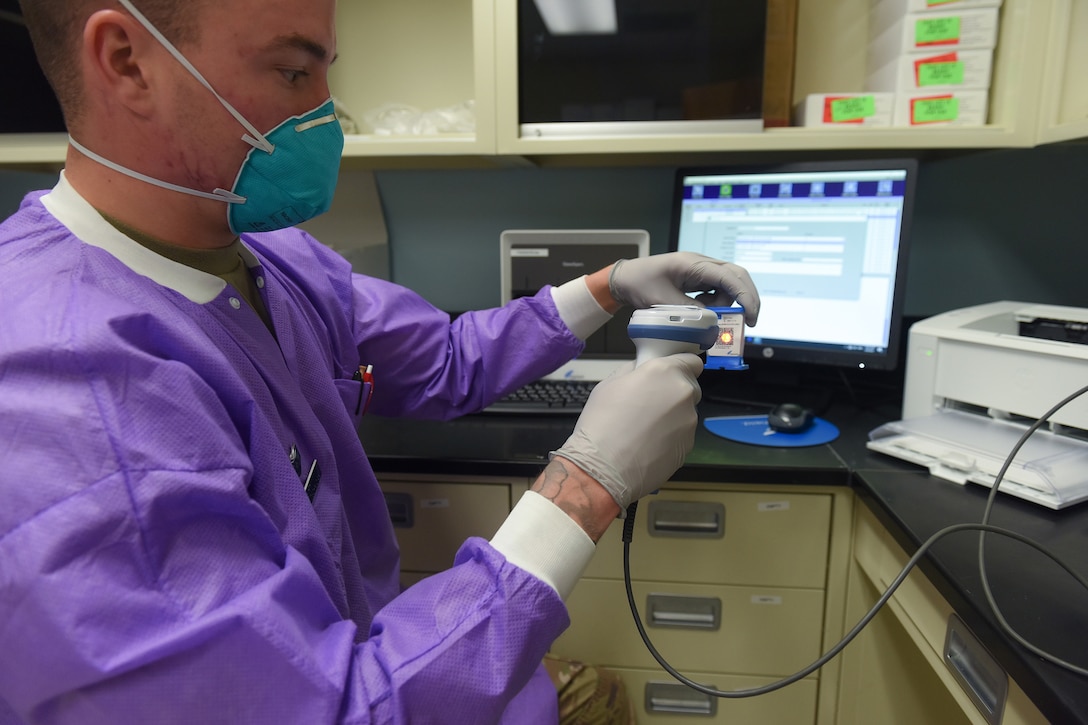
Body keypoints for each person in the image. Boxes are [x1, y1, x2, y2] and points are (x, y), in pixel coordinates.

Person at [0, 1, 761, 723]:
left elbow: (444, 359)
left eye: (330, 73)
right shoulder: (69, 395)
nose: (327, 116)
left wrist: (606, 288)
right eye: (295, 74)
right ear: (127, 61)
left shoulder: (263, 258)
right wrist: (584, 487)